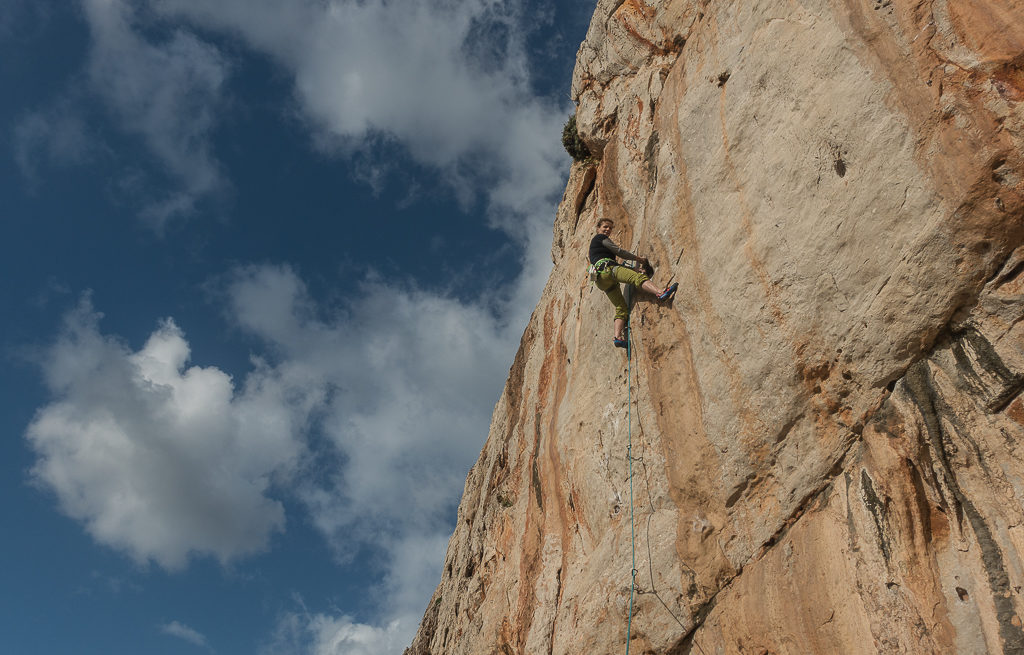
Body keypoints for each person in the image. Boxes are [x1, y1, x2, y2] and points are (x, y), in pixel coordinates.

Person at [589, 217, 677, 348]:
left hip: (601, 281)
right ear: (598, 229)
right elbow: (619, 252)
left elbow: (615, 265)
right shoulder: (599, 238)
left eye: (610, 228)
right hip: (608, 270)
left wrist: (632, 268)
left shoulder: (595, 248)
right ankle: (661, 293)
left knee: (621, 308)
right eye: (605, 227)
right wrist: (638, 259)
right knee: (637, 278)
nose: (608, 230)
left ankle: (617, 338)